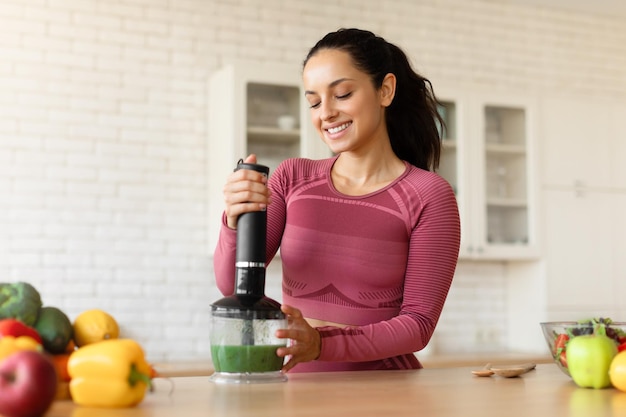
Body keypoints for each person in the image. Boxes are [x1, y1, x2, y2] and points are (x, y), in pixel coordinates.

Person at [213, 28, 460, 373]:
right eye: (313, 101)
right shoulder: (292, 179)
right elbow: (232, 286)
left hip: (388, 397)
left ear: (385, 90)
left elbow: (418, 325)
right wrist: (233, 219)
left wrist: (321, 344)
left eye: (342, 94)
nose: (325, 113)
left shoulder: (428, 194)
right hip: (293, 393)